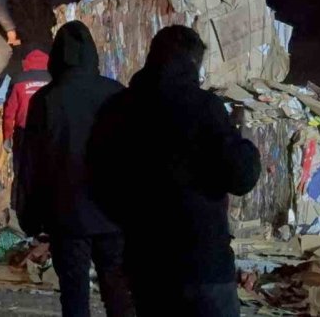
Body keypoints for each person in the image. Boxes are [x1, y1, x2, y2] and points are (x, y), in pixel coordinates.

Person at [90, 26, 261, 317]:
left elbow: (100, 181)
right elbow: (241, 176)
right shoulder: (204, 107)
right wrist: (245, 146)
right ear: (193, 64)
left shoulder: (119, 108)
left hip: (146, 265)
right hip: (203, 263)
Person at [15, 22, 134, 317]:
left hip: (66, 214)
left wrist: (30, 215)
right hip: (112, 213)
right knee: (118, 292)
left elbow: (31, 161)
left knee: (74, 292)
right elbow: (133, 153)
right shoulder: (116, 93)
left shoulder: (46, 99)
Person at [3, 48, 51, 148]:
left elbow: (10, 111)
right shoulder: (54, 81)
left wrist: (7, 135)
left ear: (27, 62)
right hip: (47, 131)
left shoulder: (18, 81)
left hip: (23, 131)